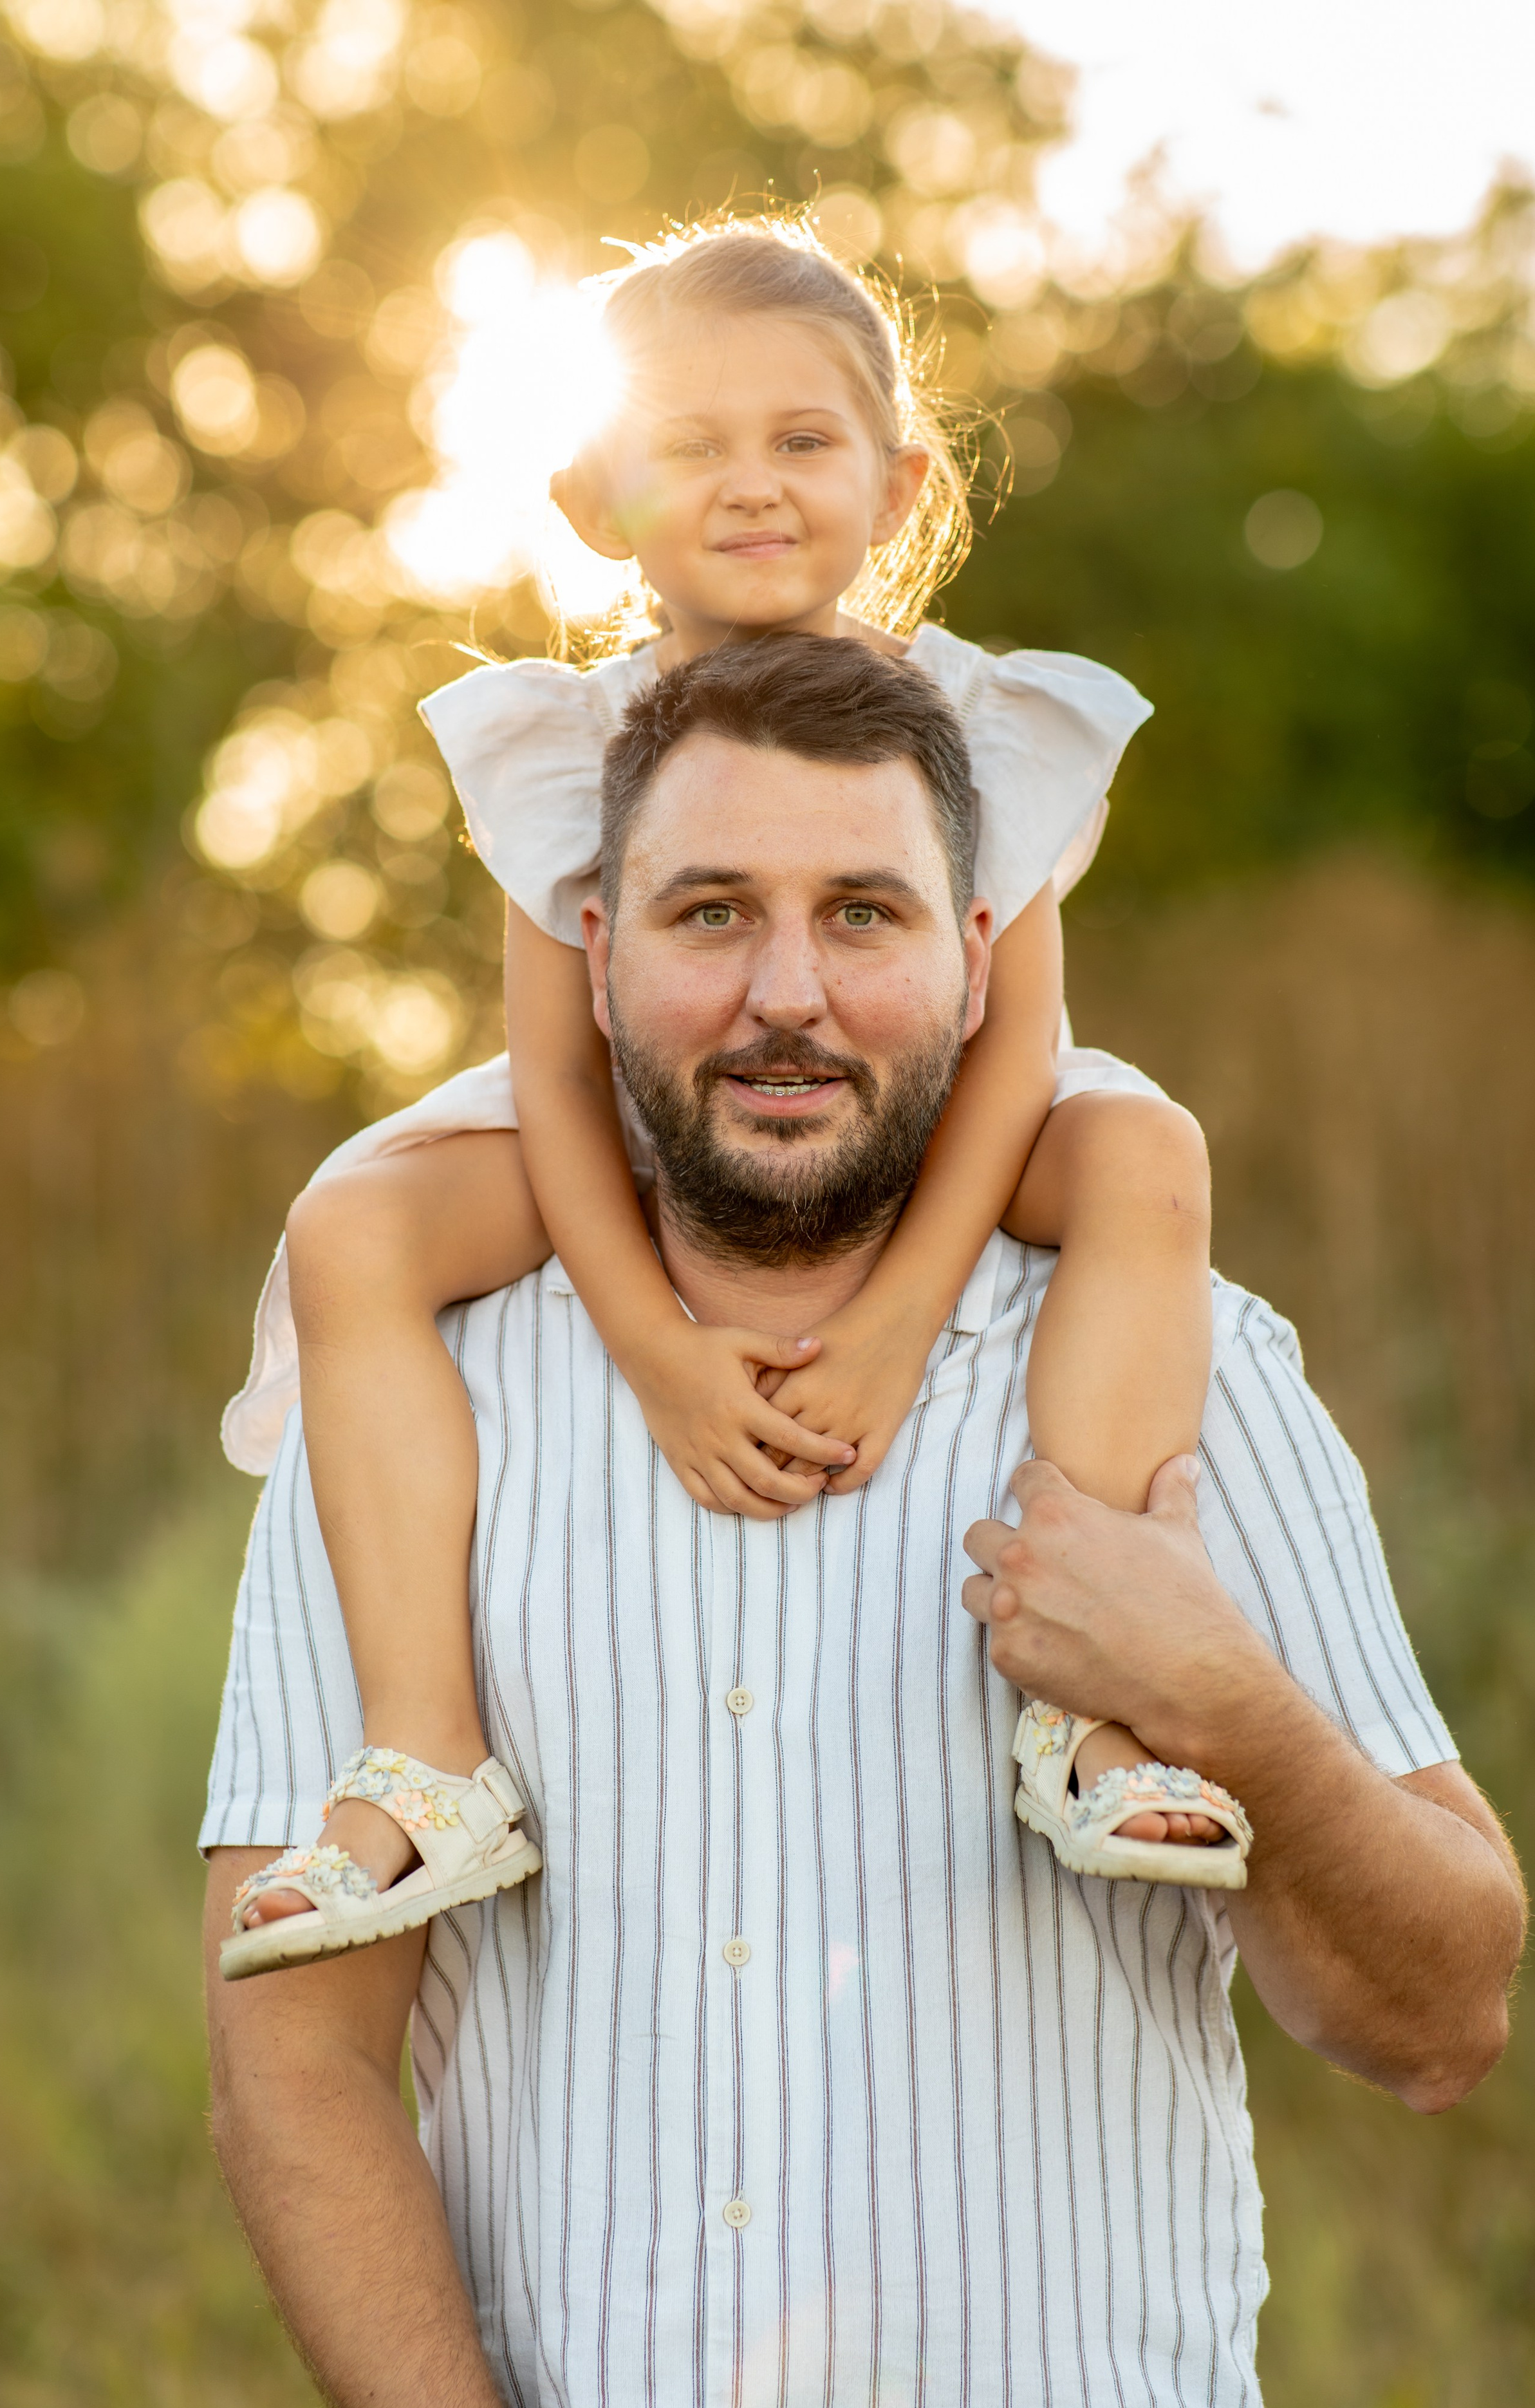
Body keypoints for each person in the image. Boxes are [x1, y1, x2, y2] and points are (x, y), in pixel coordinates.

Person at [201, 633, 1523, 2408]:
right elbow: (297, 2060)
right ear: (596, 954)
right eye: (713, 913)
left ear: (983, 962)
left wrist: (1222, 1700)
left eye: (867, 915)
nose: (788, 995)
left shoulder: (1188, 1372)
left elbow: (1445, 2012)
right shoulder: (411, 1407)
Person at [221, 217, 1238, 1977]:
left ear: (901, 485)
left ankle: (1094, 1715)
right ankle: (430, 1751)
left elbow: (1010, 1045)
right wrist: (655, 1347)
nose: (752, 485)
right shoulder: (566, 740)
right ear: (600, 497)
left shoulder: (980, 726)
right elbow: (556, 1069)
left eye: (802, 440)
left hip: (926, 1097)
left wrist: (907, 1317)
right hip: (637, 1110)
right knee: (351, 1227)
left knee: (1145, 1152)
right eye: (690, 444)